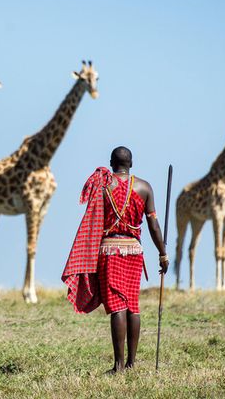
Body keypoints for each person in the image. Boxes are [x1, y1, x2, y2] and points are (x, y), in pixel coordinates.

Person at [61, 146, 169, 374]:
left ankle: (119, 365)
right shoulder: (145, 187)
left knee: (117, 306)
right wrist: (163, 253)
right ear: (131, 163)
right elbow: (154, 225)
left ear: (111, 163)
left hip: (109, 251)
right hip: (134, 252)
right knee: (133, 305)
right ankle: (131, 363)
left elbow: (92, 224)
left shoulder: (102, 187)